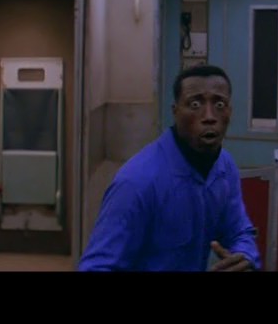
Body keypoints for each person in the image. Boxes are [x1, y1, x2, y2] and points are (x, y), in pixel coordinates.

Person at [78, 65, 260, 271]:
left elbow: (239, 231)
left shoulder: (225, 167)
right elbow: (96, 267)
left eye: (219, 104)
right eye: (195, 104)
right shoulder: (137, 182)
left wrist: (245, 255)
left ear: (230, 111)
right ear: (176, 112)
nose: (209, 116)